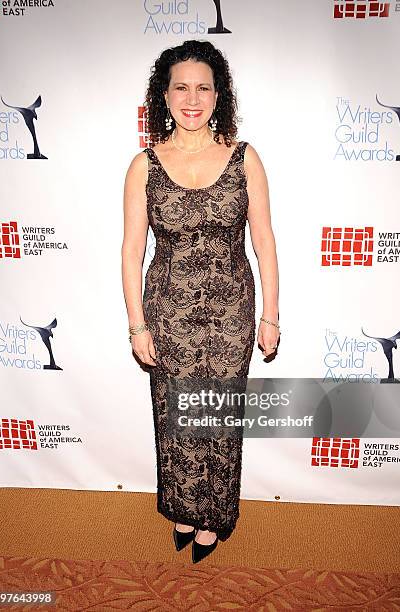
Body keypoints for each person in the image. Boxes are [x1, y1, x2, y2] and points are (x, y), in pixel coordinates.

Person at [121, 39, 280, 563]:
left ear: (219, 96)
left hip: (231, 314)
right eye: (181, 87)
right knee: (176, 417)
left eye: (203, 88)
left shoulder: (244, 157)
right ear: (163, 96)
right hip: (167, 312)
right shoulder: (143, 166)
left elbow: (263, 241)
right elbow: (131, 250)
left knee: (218, 416)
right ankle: (186, 509)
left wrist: (270, 315)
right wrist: (136, 326)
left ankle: (214, 516)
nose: (193, 98)